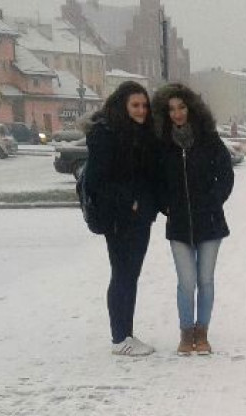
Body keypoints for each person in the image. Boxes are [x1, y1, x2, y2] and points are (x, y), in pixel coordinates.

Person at [151, 83, 234, 356]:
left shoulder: (208, 138)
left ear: (191, 108)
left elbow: (225, 173)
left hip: (209, 223)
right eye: (172, 109)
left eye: (182, 107)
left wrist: (214, 200)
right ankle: (186, 333)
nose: (177, 114)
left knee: (205, 280)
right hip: (178, 226)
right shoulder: (162, 144)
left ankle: (203, 332)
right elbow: (156, 180)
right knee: (186, 281)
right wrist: (166, 206)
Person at [83, 80, 162, 356]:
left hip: (139, 217)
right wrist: (129, 201)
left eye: (144, 105)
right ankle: (120, 338)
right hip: (118, 218)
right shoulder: (107, 134)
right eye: (135, 105)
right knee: (122, 274)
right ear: (122, 105)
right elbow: (96, 179)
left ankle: (126, 334)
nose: (141, 110)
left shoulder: (140, 133)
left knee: (130, 274)